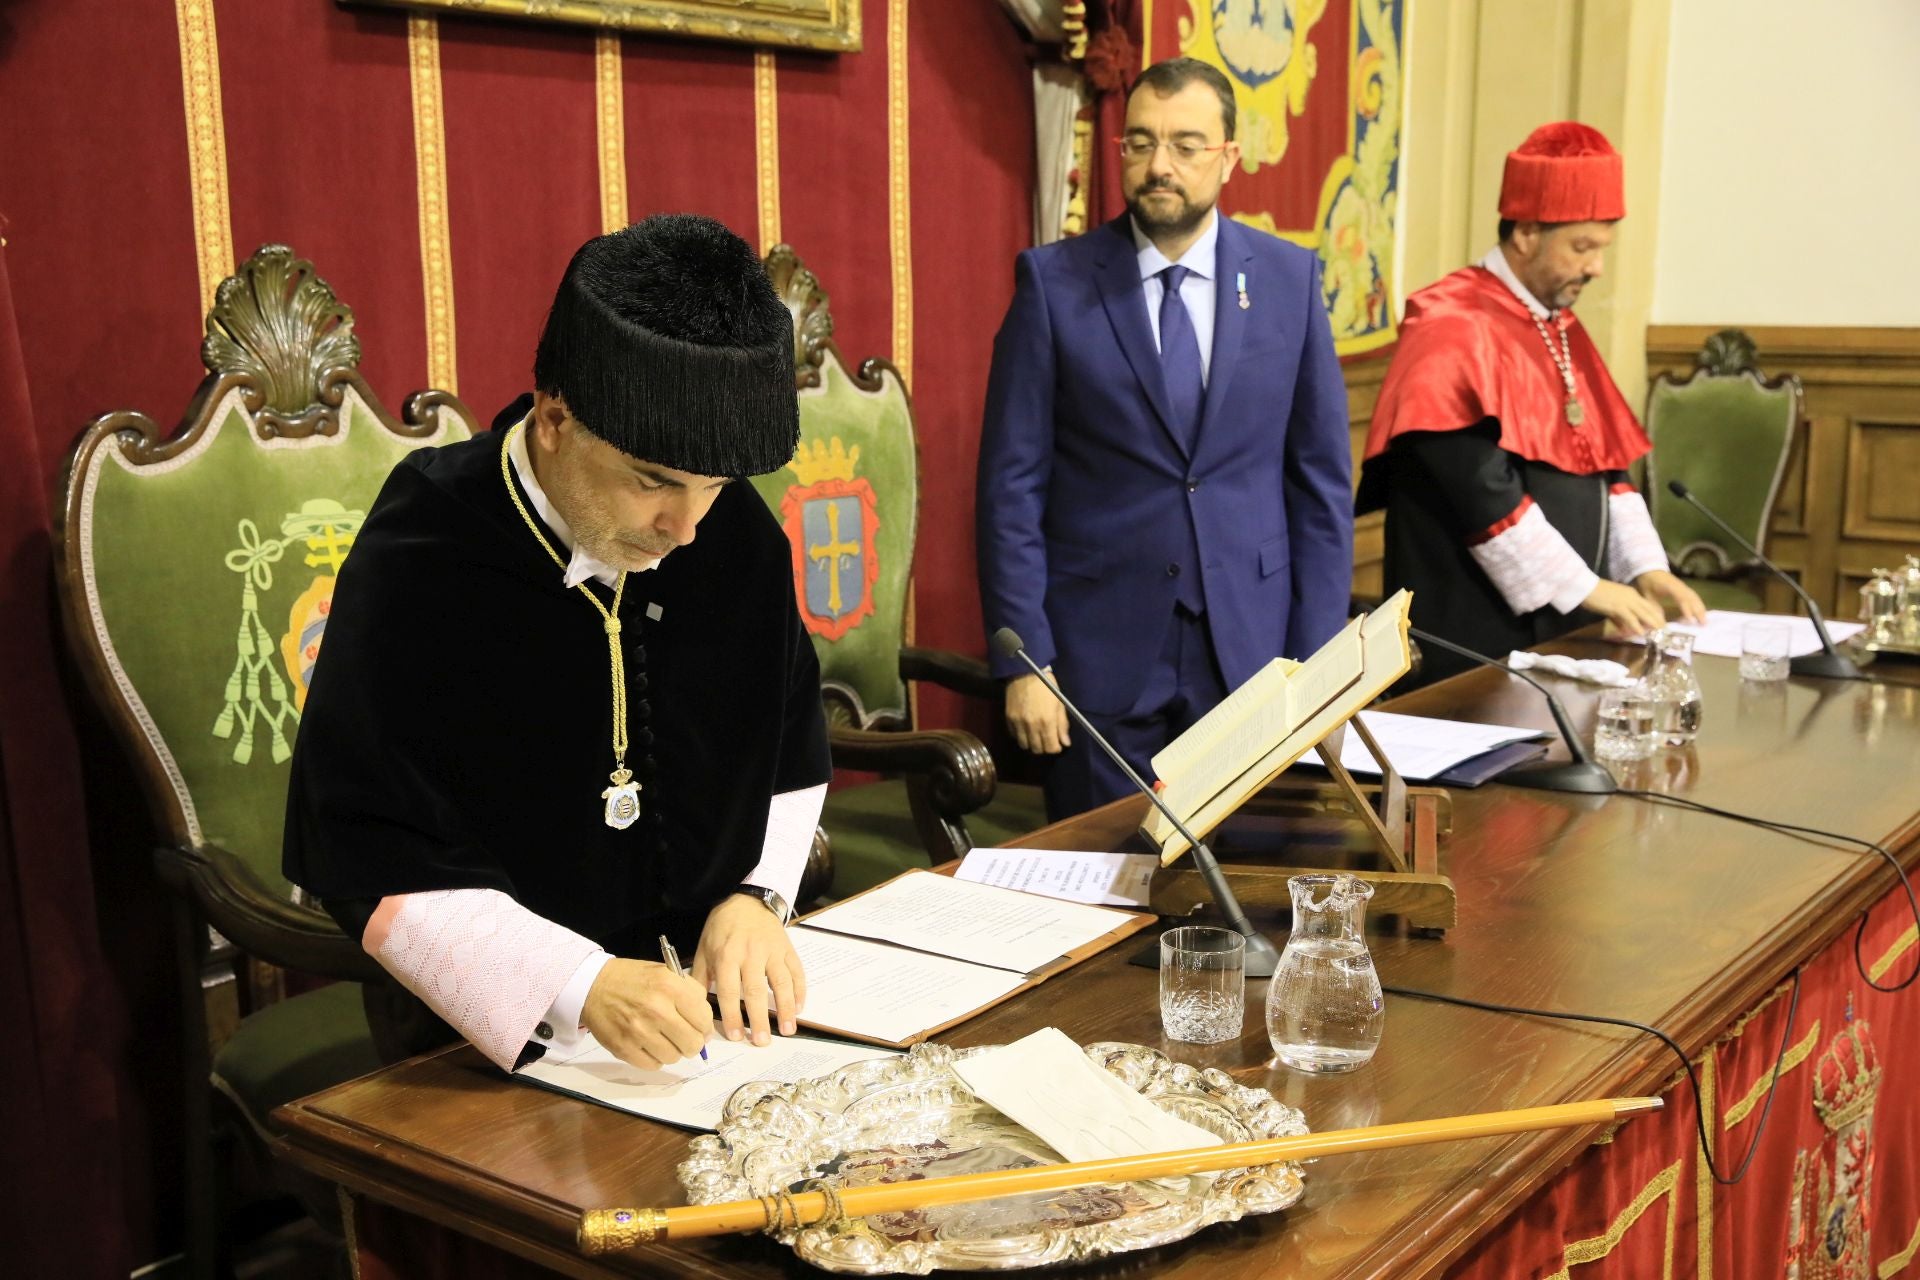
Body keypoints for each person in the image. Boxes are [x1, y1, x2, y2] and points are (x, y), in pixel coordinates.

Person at [284, 214, 830, 1074]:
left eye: (715, 488)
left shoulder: (733, 541)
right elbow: (364, 841)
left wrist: (754, 897)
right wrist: (579, 982)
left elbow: (792, 733)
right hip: (498, 1039)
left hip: (718, 1025)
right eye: (654, 483)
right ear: (554, 417)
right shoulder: (424, 553)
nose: (685, 531)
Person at [977, 57, 1353, 821]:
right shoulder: (1054, 284)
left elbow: (1320, 488)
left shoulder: (1288, 280)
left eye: (1186, 145)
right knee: (1109, 892)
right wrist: (1026, 661)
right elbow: (1009, 488)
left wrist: (1319, 671)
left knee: (1246, 894)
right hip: (1097, 661)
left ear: (1227, 157)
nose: (1160, 166)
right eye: (1141, 143)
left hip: (1251, 655)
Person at [1358, 122, 1704, 686]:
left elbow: (1604, 464)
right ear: (1524, 233)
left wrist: (1644, 569)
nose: (1595, 266)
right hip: (1473, 640)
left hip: (1559, 630)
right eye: (1581, 247)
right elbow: (1480, 492)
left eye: (1602, 248)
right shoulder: (1452, 324)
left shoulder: (1557, 325)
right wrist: (1589, 589)